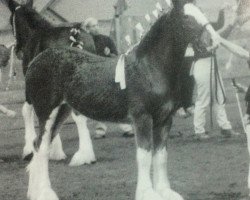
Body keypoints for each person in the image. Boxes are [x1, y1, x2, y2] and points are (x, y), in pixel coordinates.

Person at [191, 3, 241, 139]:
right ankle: (199, 130)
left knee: (219, 95)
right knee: (203, 98)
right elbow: (220, 34)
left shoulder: (205, 28)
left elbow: (219, 25)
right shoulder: (196, 31)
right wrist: (231, 24)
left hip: (210, 63)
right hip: (203, 64)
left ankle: (225, 127)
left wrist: (222, 10)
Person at [84, 17, 133, 139]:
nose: (96, 27)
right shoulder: (84, 43)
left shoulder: (107, 40)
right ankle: (101, 130)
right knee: (99, 102)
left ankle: (127, 128)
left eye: (97, 25)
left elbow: (116, 56)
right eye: (93, 26)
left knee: (116, 101)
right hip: (94, 76)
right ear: (87, 29)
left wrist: (108, 54)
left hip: (109, 75)